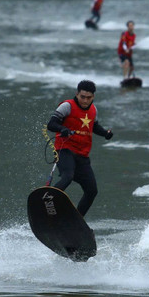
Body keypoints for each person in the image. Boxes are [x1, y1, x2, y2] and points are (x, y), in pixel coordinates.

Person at [46, 80, 113, 216]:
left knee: (92, 190)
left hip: (82, 156)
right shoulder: (67, 106)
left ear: (93, 97)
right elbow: (51, 124)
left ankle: (76, 221)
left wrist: (105, 133)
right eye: (82, 97)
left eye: (88, 98)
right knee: (67, 176)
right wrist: (62, 128)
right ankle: (47, 200)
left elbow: (93, 126)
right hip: (64, 150)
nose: (85, 100)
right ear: (77, 94)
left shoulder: (93, 110)